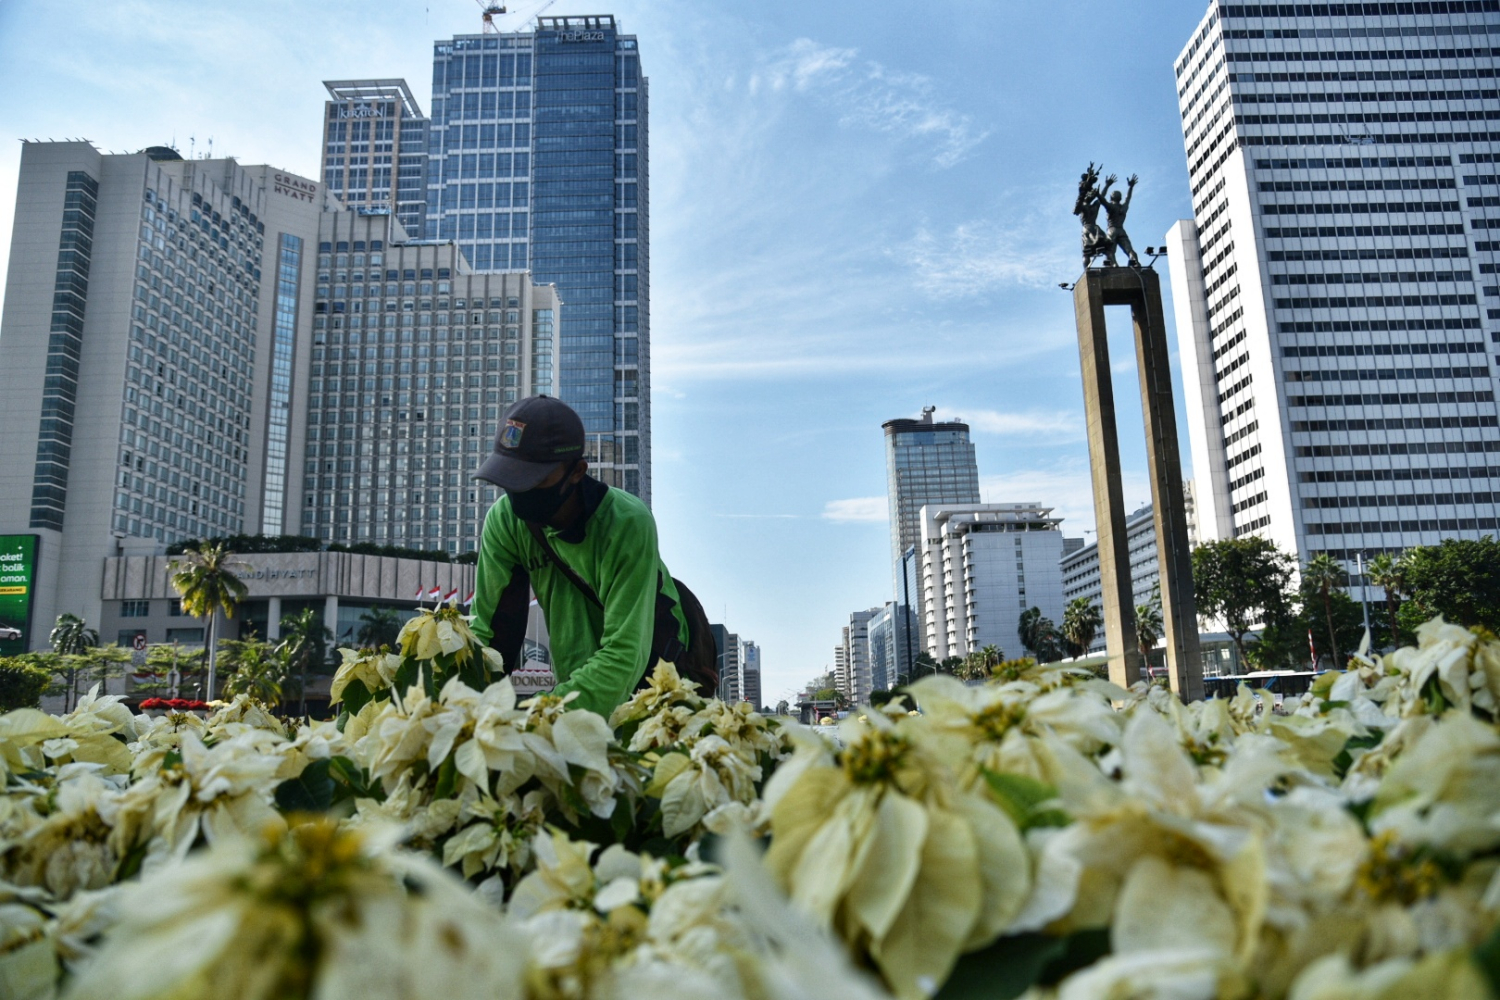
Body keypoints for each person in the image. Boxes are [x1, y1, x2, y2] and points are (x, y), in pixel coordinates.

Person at [469, 395, 715, 716]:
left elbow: (624, 652)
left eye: (532, 478)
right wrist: (458, 708)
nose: (518, 490)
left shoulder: (627, 523)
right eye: (509, 476)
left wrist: (542, 715)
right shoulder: (504, 521)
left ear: (577, 471)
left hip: (656, 687)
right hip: (577, 686)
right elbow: (488, 632)